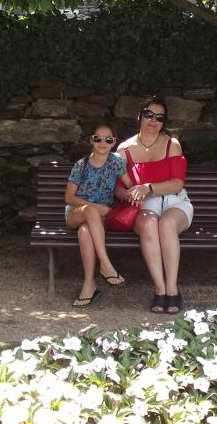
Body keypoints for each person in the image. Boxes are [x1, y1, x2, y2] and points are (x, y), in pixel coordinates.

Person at [116, 96, 193, 315]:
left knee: (166, 225)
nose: (153, 120)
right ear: (139, 116)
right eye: (149, 115)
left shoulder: (171, 144)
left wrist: (147, 187)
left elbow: (177, 183)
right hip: (145, 205)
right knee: (150, 225)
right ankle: (159, 289)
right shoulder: (124, 150)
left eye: (160, 117)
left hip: (174, 199)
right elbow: (118, 188)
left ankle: (172, 288)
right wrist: (129, 194)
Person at [64, 122, 128, 307]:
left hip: (99, 219)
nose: (103, 142)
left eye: (108, 139)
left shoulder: (117, 162)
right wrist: (96, 207)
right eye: (98, 138)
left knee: (85, 232)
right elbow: (69, 197)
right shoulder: (81, 165)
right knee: (90, 211)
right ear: (91, 140)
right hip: (76, 212)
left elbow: (129, 186)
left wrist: (129, 194)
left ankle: (89, 284)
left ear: (114, 142)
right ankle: (106, 265)